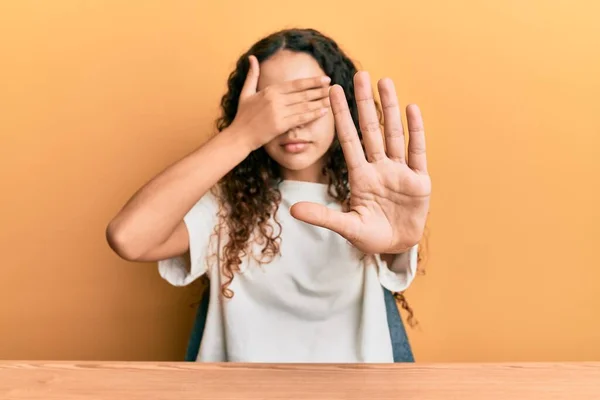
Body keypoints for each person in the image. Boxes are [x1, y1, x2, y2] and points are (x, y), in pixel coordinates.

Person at [106, 28, 431, 362]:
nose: (292, 125)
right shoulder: (227, 207)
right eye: (274, 107)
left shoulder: (369, 203)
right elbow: (128, 237)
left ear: (342, 107)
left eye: (310, 102)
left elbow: (392, 249)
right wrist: (242, 136)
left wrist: (400, 243)